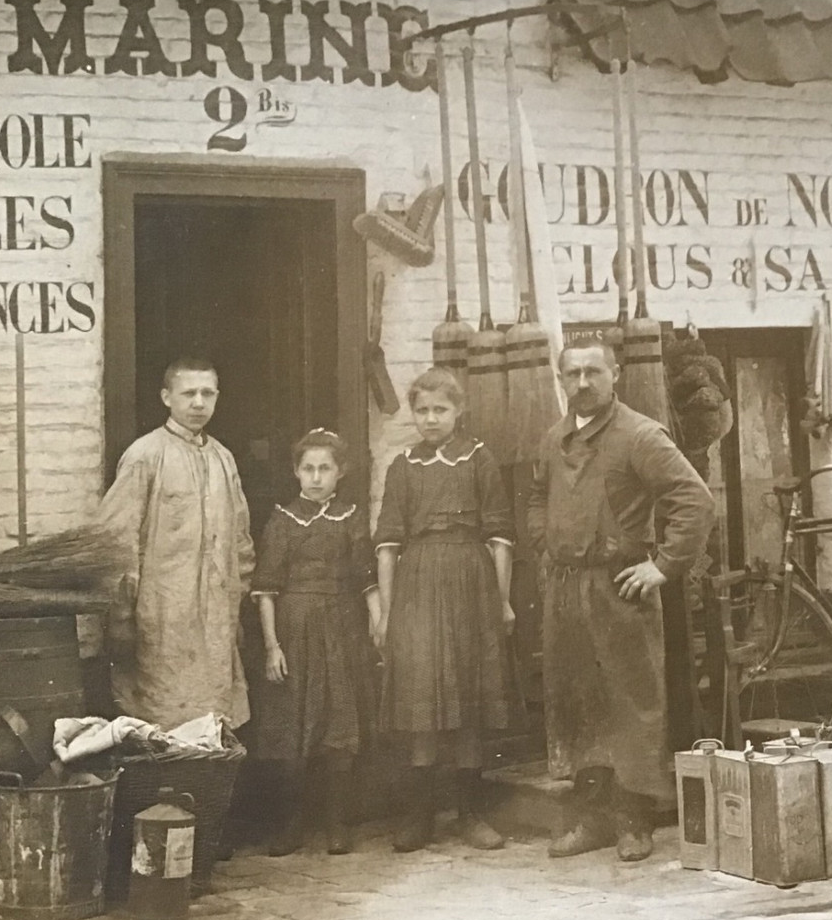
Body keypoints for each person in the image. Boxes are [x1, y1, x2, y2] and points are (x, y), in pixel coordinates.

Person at [528, 341, 714, 862]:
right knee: (577, 702)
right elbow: (536, 495)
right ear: (560, 379)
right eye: (572, 373)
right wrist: (543, 539)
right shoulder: (553, 438)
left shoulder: (639, 435)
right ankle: (593, 820)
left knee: (631, 705)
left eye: (593, 371)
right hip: (565, 589)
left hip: (619, 590)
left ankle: (635, 820)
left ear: (616, 373)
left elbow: (695, 501)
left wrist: (663, 566)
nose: (582, 382)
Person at [373, 367, 518, 852]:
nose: (431, 419)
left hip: (471, 584)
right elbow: (388, 546)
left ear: (459, 412)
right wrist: (388, 614)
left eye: (441, 410)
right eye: (422, 410)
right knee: (422, 698)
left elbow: (499, 538)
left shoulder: (479, 460)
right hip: (416, 587)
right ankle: (420, 815)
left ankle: (471, 813)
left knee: (468, 697)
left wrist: (501, 602)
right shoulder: (403, 466)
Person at [97, 357, 255, 731]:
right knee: (163, 725)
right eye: (189, 393)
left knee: (214, 727)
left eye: (207, 393)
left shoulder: (223, 458)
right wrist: (121, 618)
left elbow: (241, 542)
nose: (199, 403)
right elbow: (114, 540)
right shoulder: (145, 455)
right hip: (161, 619)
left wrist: (237, 600)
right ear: (167, 397)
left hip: (215, 620)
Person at [250, 429, 381, 856]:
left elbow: (366, 578)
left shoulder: (351, 516)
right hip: (294, 630)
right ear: (295, 472)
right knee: (293, 723)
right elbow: (267, 588)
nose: (316, 477)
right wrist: (272, 646)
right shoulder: (282, 520)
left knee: (338, 722)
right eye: (308, 468)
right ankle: (292, 824)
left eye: (325, 468)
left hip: (342, 628)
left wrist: (378, 623)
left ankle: (336, 823)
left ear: (340, 472)